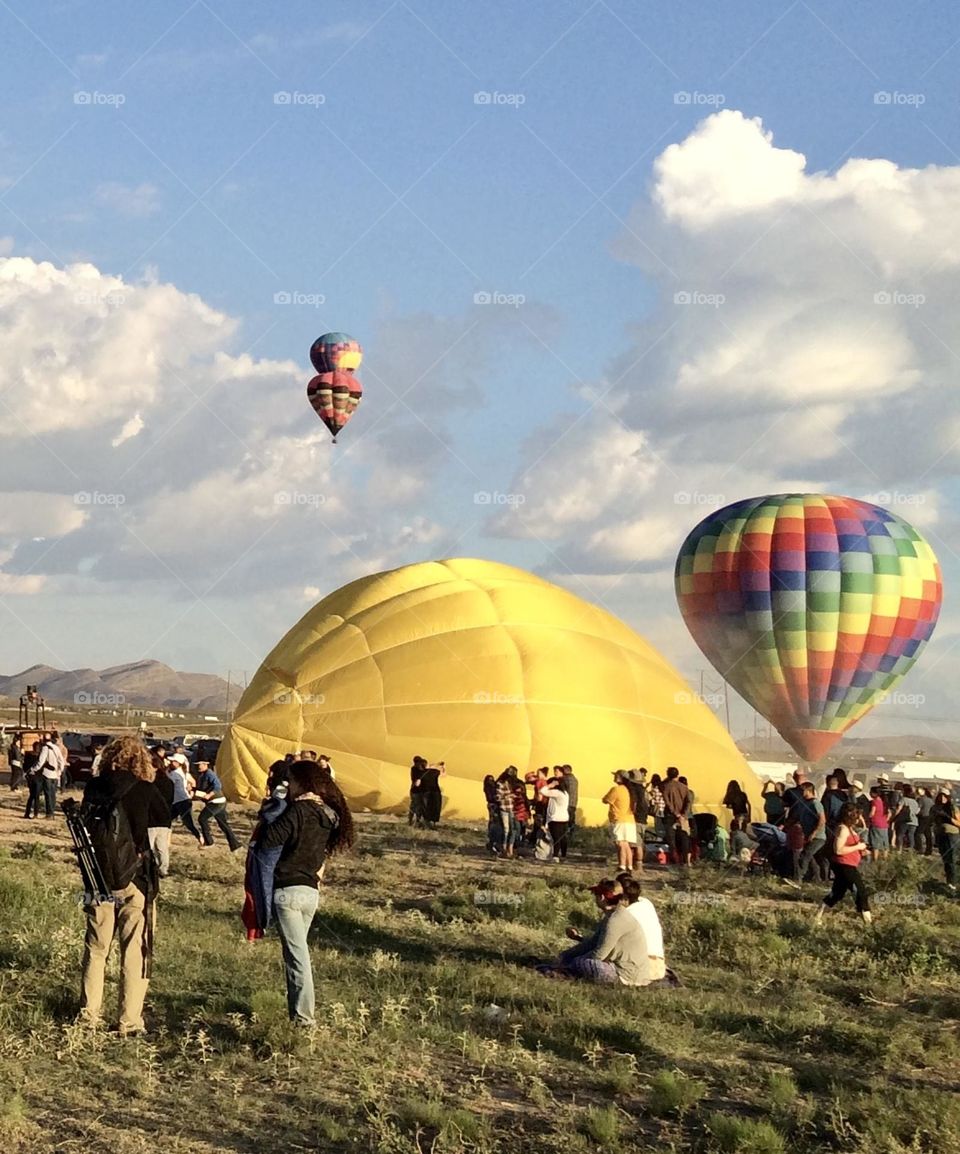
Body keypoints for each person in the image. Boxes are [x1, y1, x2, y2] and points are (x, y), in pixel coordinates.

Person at [78, 736, 170, 1035]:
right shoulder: (145, 789)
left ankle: (88, 1015)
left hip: (98, 878)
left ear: (108, 757)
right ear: (141, 760)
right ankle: (129, 1020)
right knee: (134, 949)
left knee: (96, 948)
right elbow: (161, 833)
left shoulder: (94, 787)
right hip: (136, 879)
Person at [259, 760, 355, 1026]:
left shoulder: (299, 811)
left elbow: (269, 839)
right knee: (297, 954)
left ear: (302, 782)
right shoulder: (329, 815)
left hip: (287, 891)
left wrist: (275, 806)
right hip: (310, 892)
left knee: (297, 957)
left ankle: (303, 1018)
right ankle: (298, 1014)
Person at [551, 878, 658, 986]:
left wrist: (574, 961)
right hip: (629, 971)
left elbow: (599, 954)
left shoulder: (615, 921)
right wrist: (565, 955)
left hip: (627, 975)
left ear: (602, 897)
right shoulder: (613, 916)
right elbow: (592, 943)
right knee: (575, 959)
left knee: (583, 963)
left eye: (596, 895)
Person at [815, 802, 871, 925]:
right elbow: (838, 850)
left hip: (849, 863)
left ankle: (817, 917)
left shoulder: (850, 829)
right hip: (844, 865)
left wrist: (861, 850)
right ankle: (868, 922)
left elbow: (850, 846)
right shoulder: (843, 829)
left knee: (837, 893)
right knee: (860, 891)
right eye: (857, 816)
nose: (859, 819)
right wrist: (858, 846)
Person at [194, 760, 242, 852]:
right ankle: (235, 845)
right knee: (223, 824)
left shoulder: (209, 774)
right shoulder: (202, 775)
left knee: (202, 818)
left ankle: (209, 842)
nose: (198, 766)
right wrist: (193, 789)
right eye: (197, 765)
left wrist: (210, 794)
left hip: (216, 802)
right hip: (216, 802)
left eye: (200, 764)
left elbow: (217, 785)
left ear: (206, 764)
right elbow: (202, 789)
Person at [790, 781, 828, 883]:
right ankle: (817, 878)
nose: (801, 793)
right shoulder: (803, 803)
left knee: (805, 855)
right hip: (807, 835)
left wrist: (814, 833)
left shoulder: (815, 803)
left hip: (818, 837)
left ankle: (798, 879)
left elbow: (822, 819)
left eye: (802, 790)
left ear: (808, 790)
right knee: (811, 859)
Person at [148, 752, 175, 878]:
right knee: (162, 847)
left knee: (148, 846)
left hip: (151, 818)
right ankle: (163, 869)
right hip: (165, 818)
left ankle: (149, 868)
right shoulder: (169, 782)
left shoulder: (150, 783)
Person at [602, 771, 636, 872]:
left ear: (620, 778)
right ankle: (629, 865)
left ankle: (622, 865)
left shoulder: (616, 789)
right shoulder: (630, 790)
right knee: (626, 844)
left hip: (619, 819)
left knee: (620, 843)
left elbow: (606, 800)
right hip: (630, 820)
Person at [167, 754, 202, 845]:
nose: (171, 763)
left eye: (173, 761)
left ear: (179, 763)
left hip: (181, 802)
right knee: (167, 819)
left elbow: (168, 784)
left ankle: (200, 837)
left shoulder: (175, 774)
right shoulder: (183, 772)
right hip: (180, 801)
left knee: (188, 823)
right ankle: (167, 840)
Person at [930, 788, 960, 892]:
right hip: (940, 835)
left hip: (952, 834)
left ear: (948, 798)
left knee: (951, 859)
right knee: (945, 860)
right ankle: (949, 882)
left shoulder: (952, 808)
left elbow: (959, 823)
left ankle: (953, 883)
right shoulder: (935, 808)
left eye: (945, 796)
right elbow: (931, 821)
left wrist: (947, 817)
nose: (942, 798)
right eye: (940, 796)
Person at [660, 767, 691, 866]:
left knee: (671, 840)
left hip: (670, 816)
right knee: (684, 837)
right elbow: (688, 802)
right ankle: (685, 860)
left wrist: (675, 813)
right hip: (683, 817)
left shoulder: (666, 786)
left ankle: (675, 860)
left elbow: (667, 802)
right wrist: (683, 814)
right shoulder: (684, 787)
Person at [36, 731, 66, 817]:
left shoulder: (45, 748)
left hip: (47, 774)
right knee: (53, 795)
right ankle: (52, 812)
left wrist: (34, 770)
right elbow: (61, 761)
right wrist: (59, 772)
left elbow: (40, 762)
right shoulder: (56, 748)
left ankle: (49, 813)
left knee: (48, 795)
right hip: (55, 775)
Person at [540, 775, 570, 862]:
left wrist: (550, 785)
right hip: (564, 817)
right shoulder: (565, 793)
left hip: (555, 818)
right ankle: (563, 855)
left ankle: (555, 856)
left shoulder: (556, 792)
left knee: (556, 838)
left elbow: (542, 791)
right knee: (563, 838)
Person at [417, 761, 444, 828]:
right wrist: (442, 766)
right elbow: (443, 774)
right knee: (435, 808)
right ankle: (433, 824)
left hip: (426, 792)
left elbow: (417, 784)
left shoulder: (420, 773)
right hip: (435, 792)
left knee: (425, 808)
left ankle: (424, 823)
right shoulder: (434, 772)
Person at [867, 785, 890, 861]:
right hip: (884, 824)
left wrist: (868, 817)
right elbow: (889, 813)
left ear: (874, 793)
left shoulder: (875, 801)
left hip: (876, 823)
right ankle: (885, 858)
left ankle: (875, 860)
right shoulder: (884, 802)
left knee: (875, 843)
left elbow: (872, 813)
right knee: (884, 842)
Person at [895, 784, 920, 851]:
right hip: (914, 821)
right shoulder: (915, 801)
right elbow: (917, 811)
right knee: (911, 835)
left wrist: (894, 817)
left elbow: (899, 809)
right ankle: (911, 849)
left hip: (904, 820)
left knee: (900, 835)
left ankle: (899, 849)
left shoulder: (904, 799)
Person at [22, 740, 42, 819]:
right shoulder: (39, 757)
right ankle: (35, 814)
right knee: (36, 796)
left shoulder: (28, 755)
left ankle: (27, 813)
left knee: (32, 796)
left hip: (30, 778)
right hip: (37, 778)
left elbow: (24, 766)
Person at [483, 775, 501, 854]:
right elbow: (491, 798)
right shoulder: (489, 788)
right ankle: (492, 842)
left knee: (493, 822)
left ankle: (492, 842)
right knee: (494, 823)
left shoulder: (488, 787)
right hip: (493, 806)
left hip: (492, 805)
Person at [562, 764, 579, 844]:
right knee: (571, 820)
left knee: (565, 821)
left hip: (566, 803)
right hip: (573, 803)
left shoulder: (565, 779)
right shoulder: (575, 779)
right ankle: (572, 836)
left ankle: (565, 837)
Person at [916, 787, 935, 856]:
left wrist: (914, 814)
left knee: (918, 833)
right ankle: (929, 850)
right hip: (929, 817)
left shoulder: (921, 799)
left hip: (923, 817)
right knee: (928, 834)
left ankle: (919, 849)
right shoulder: (930, 800)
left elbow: (918, 809)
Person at [409, 756, 426, 827]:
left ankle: (417, 821)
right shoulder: (414, 769)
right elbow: (416, 779)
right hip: (415, 791)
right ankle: (410, 820)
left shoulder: (421, 769)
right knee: (414, 806)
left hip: (421, 791)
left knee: (420, 807)